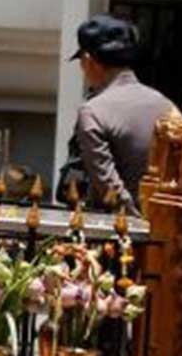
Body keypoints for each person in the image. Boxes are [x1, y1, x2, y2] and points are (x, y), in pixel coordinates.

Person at [68, 14, 174, 211]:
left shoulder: (93, 112)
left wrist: (137, 222)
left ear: (88, 60)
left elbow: (108, 187)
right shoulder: (167, 106)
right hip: (165, 227)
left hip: (117, 232)